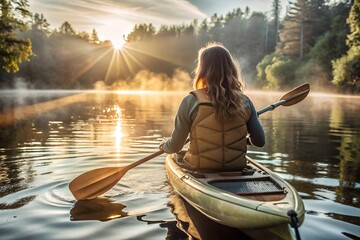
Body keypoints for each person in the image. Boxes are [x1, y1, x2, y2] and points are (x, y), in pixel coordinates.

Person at [160, 42, 265, 172]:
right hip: (236, 169)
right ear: (231, 69)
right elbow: (259, 141)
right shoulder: (245, 102)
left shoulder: (190, 101)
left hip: (200, 169)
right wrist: (242, 137)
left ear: (202, 70)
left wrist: (164, 147)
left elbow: (175, 146)